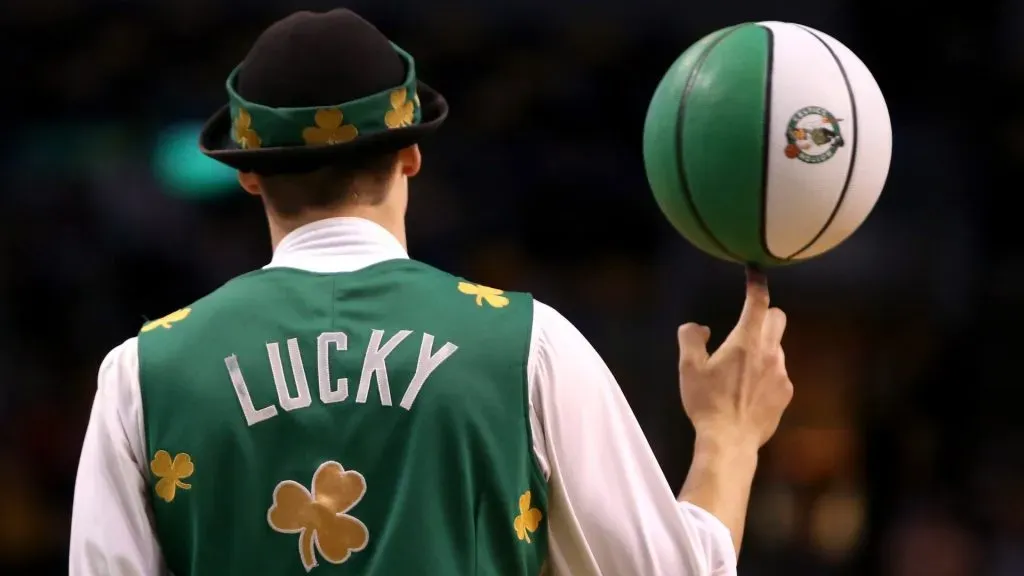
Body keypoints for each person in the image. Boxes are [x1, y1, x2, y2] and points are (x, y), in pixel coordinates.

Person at [69, 9, 793, 576]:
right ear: (411, 154)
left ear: (250, 174)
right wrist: (727, 439)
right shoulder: (529, 346)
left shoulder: (142, 373)